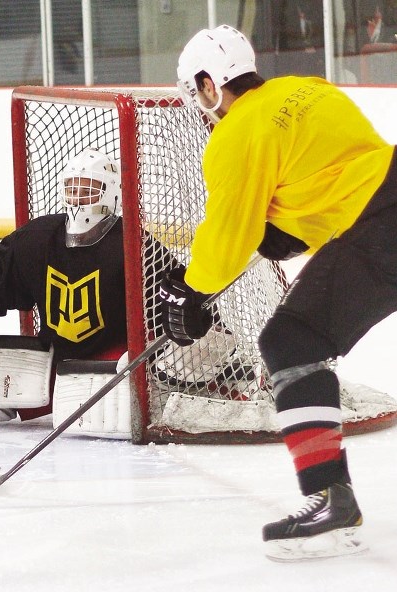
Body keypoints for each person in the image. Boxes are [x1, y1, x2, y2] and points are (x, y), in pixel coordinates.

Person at [159, 24, 396, 560]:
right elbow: (338, 172)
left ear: (208, 83)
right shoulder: (308, 89)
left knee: (292, 342)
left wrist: (191, 292)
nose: (199, 107)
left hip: (381, 230)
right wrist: (290, 232)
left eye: (196, 93)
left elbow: (227, 235)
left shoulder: (234, 133)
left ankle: (329, 500)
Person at [0, 148, 238, 438]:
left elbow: (180, 302)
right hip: (52, 363)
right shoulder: (41, 237)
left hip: (115, 365)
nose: (80, 197)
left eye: (90, 189)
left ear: (112, 194)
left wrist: (206, 335)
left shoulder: (135, 246)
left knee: (141, 379)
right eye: (73, 187)